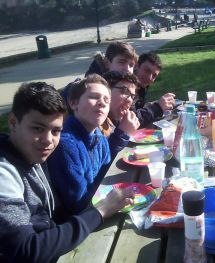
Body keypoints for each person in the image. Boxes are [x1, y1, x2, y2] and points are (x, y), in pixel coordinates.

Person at [0, 82, 134, 263]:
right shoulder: (4, 172)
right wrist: (100, 211)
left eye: (56, 131)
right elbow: (26, 250)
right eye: (37, 128)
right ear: (13, 123)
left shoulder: (32, 153)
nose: (48, 140)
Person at [48, 74, 131, 215]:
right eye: (94, 97)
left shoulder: (99, 136)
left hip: (99, 205)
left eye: (107, 100)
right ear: (73, 103)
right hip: (79, 219)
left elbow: (106, 174)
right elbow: (77, 203)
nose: (102, 103)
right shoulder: (66, 145)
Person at [100, 71, 140, 157]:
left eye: (132, 96)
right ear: (106, 91)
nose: (130, 100)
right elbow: (99, 164)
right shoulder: (93, 124)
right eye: (124, 91)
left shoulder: (112, 121)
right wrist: (122, 133)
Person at [133, 52, 176, 127]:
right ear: (137, 66)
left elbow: (138, 109)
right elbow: (133, 120)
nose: (149, 77)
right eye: (147, 70)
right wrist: (157, 107)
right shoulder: (126, 89)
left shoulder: (142, 86)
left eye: (154, 75)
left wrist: (155, 104)